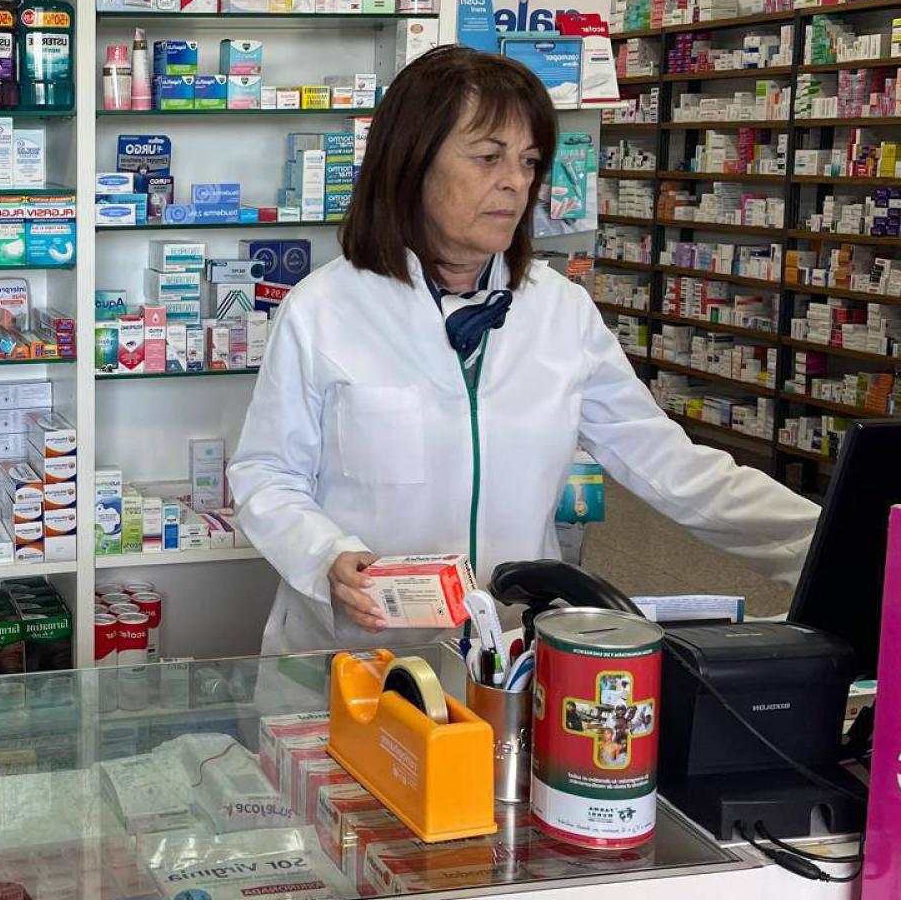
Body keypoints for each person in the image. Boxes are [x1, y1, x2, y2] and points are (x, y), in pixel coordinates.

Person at [229, 46, 819, 655]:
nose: (515, 181)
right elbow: (266, 474)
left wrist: (833, 540)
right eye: (488, 156)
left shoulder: (559, 310)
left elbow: (670, 465)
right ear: (411, 162)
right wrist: (325, 554)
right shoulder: (324, 309)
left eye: (529, 160)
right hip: (355, 657)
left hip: (507, 657)